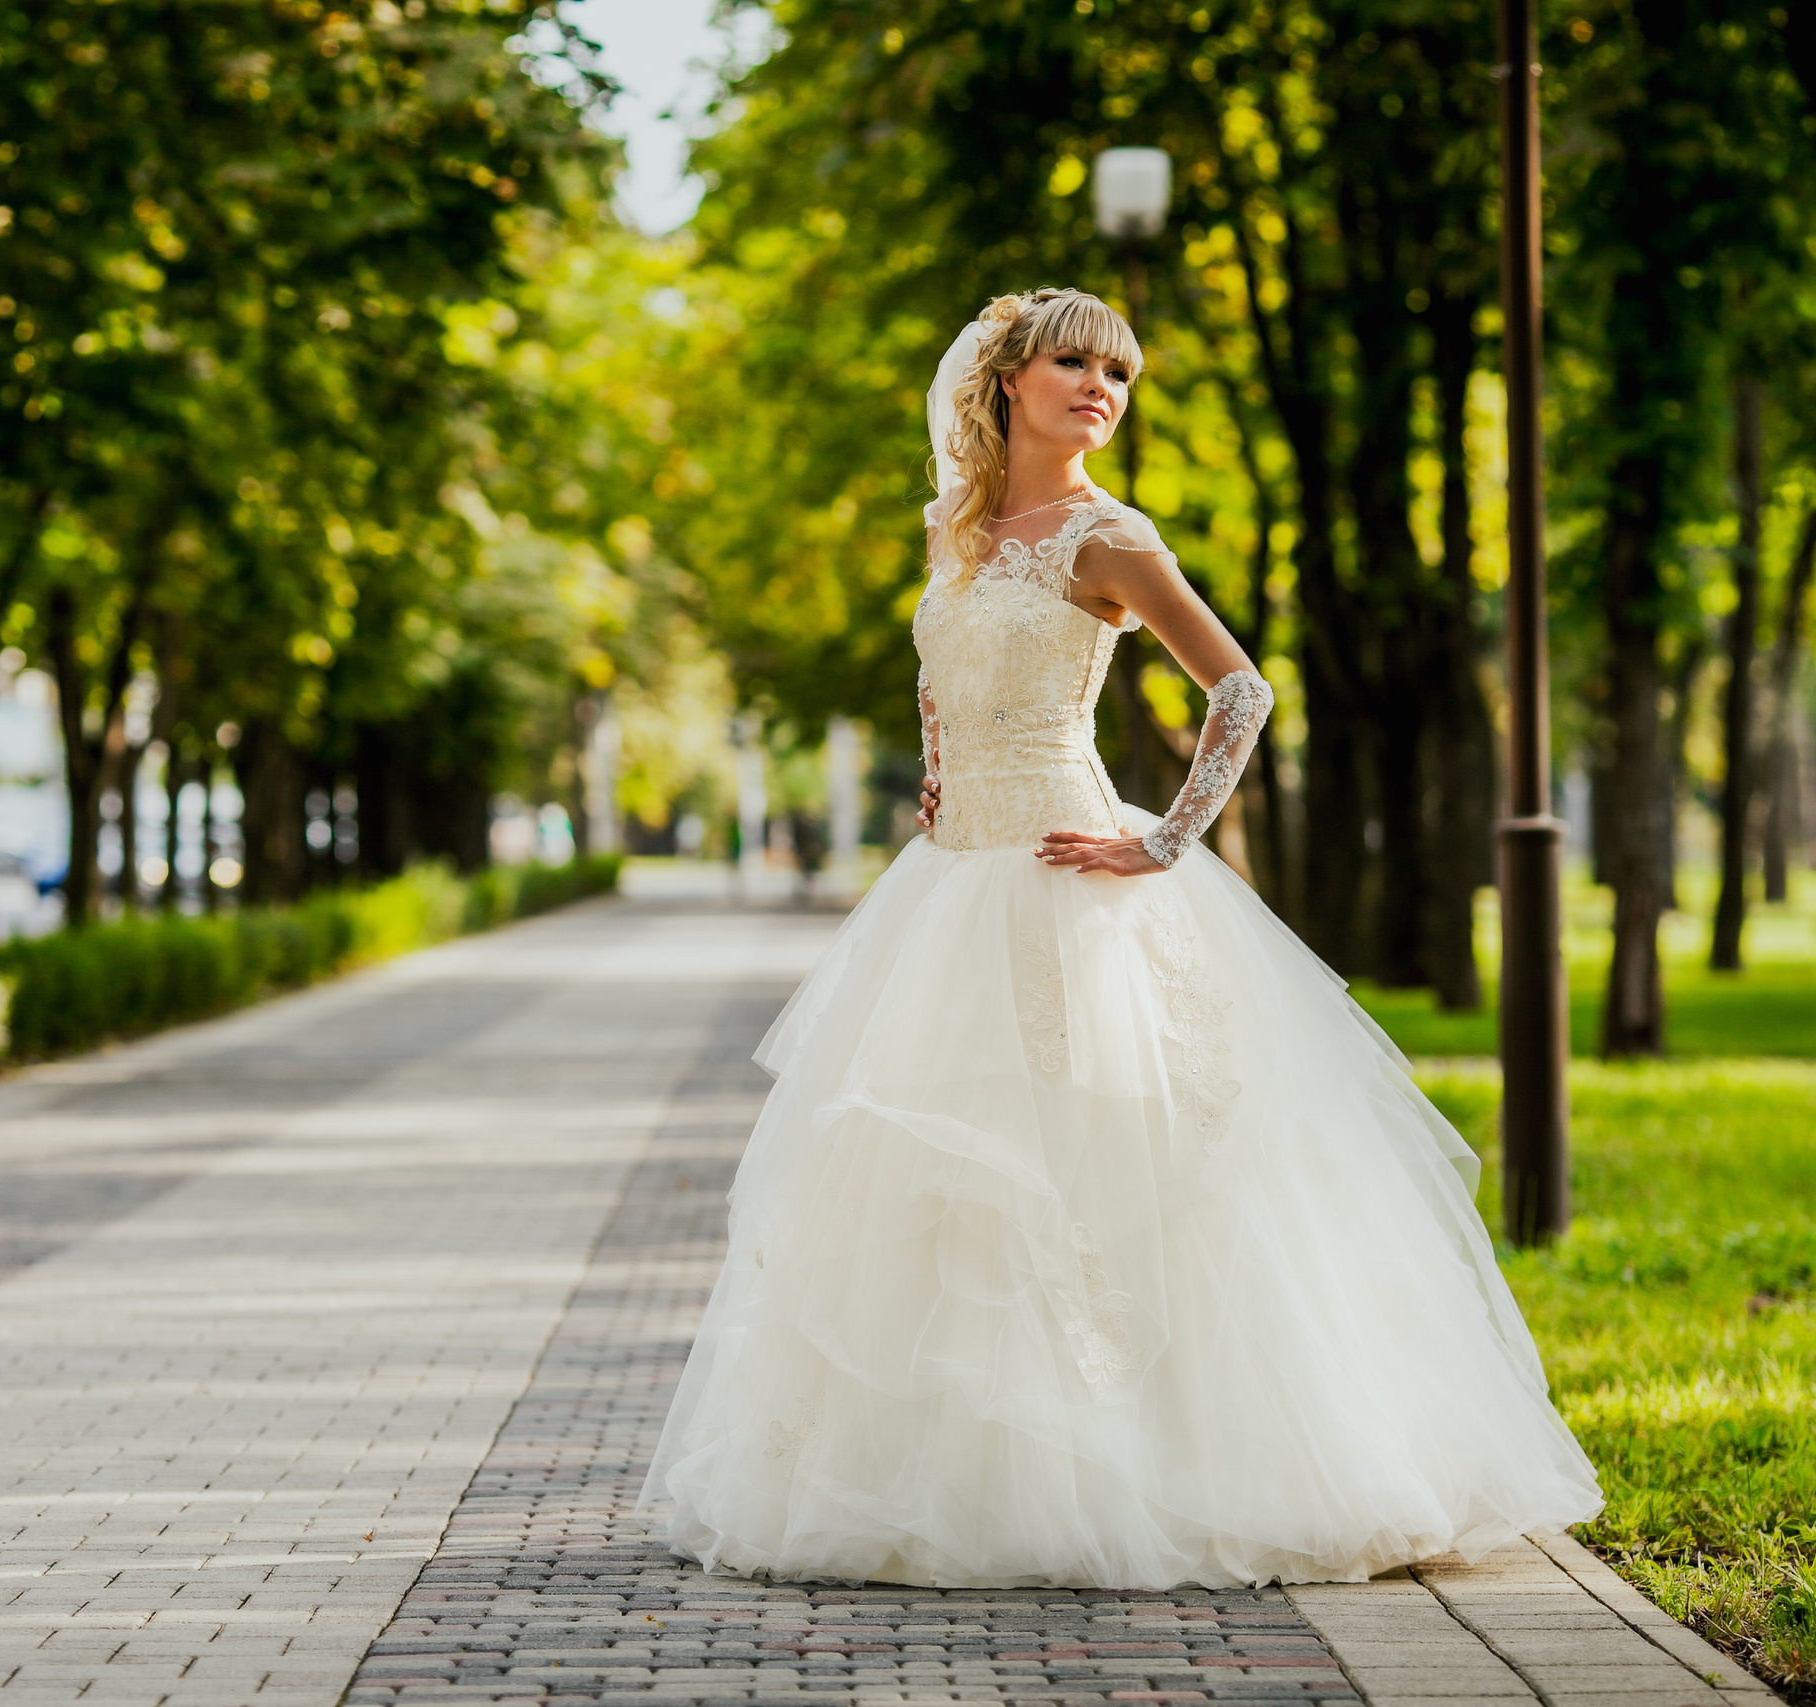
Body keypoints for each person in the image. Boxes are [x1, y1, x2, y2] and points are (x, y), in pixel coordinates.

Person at [642, 288, 1601, 1590]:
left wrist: (1166, 840)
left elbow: (1240, 687)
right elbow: (941, 682)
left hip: (1068, 870)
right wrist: (935, 776)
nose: (1102, 385)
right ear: (1007, 380)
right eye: (1075, 362)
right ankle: (958, 1477)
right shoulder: (962, 533)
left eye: (1120, 371)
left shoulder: (1107, 536)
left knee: (1101, 1160)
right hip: (952, 884)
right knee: (947, 1182)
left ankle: (1151, 1466)